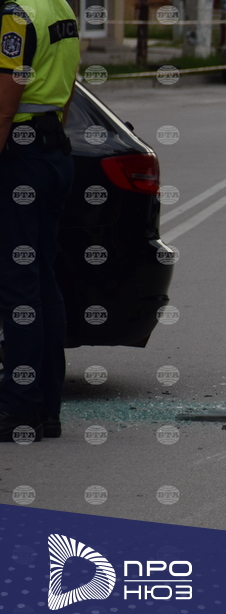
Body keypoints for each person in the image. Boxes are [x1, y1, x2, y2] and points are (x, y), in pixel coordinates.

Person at [0, 0, 79, 442]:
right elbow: (68, 86)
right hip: (52, 151)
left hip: (21, 155)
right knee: (42, 283)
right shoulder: (60, 7)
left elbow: (4, 106)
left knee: (19, 287)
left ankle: (19, 409)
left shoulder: (17, 13)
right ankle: (47, 409)